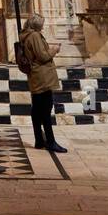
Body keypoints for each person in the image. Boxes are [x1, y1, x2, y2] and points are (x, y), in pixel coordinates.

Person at [20, 13, 66, 153]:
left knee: (37, 109)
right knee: (45, 109)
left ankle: (39, 139)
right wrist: (54, 50)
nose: (43, 26)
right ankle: (50, 142)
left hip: (36, 76)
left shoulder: (26, 35)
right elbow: (43, 56)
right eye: (42, 24)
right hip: (42, 77)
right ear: (36, 24)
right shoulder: (34, 36)